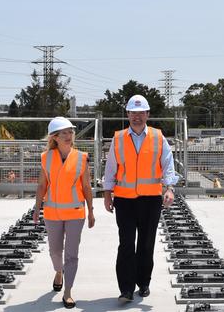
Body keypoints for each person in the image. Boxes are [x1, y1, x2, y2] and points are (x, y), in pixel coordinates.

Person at [103, 94, 178, 303]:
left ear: (147, 114)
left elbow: (168, 165)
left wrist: (169, 188)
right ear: (127, 114)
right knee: (126, 244)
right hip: (125, 200)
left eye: (140, 113)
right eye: (132, 113)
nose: (137, 117)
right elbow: (110, 168)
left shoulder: (157, 137)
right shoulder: (118, 138)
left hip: (151, 200)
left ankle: (143, 283)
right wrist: (107, 194)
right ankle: (126, 289)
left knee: (146, 244)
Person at [33, 117, 95, 309]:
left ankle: (68, 292)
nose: (69, 136)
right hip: (52, 213)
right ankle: (58, 271)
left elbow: (86, 186)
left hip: (76, 212)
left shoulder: (81, 157)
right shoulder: (46, 158)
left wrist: (91, 211)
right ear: (55, 137)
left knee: (72, 254)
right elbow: (42, 185)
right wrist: (36, 208)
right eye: (64, 133)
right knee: (54, 251)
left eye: (71, 132)